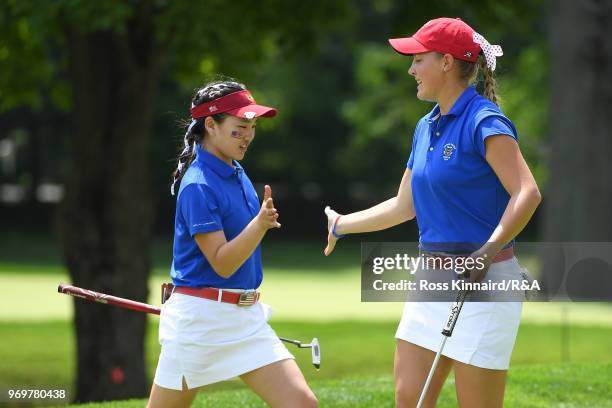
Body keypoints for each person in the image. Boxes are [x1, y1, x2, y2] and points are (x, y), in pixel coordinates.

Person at [323, 18, 541, 408]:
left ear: (446, 62)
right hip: (430, 279)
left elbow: (527, 192)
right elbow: (404, 206)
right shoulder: (426, 127)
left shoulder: (484, 121)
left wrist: (488, 250)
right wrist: (342, 224)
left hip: (487, 283)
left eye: (418, 59)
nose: (410, 70)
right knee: (409, 400)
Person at [148, 79, 318, 408]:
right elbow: (222, 263)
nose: (248, 136)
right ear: (211, 125)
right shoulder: (198, 185)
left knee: (302, 404)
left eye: (252, 127)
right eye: (240, 127)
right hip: (200, 323)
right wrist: (261, 225)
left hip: (245, 319)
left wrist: (259, 224)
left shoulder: (236, 171)